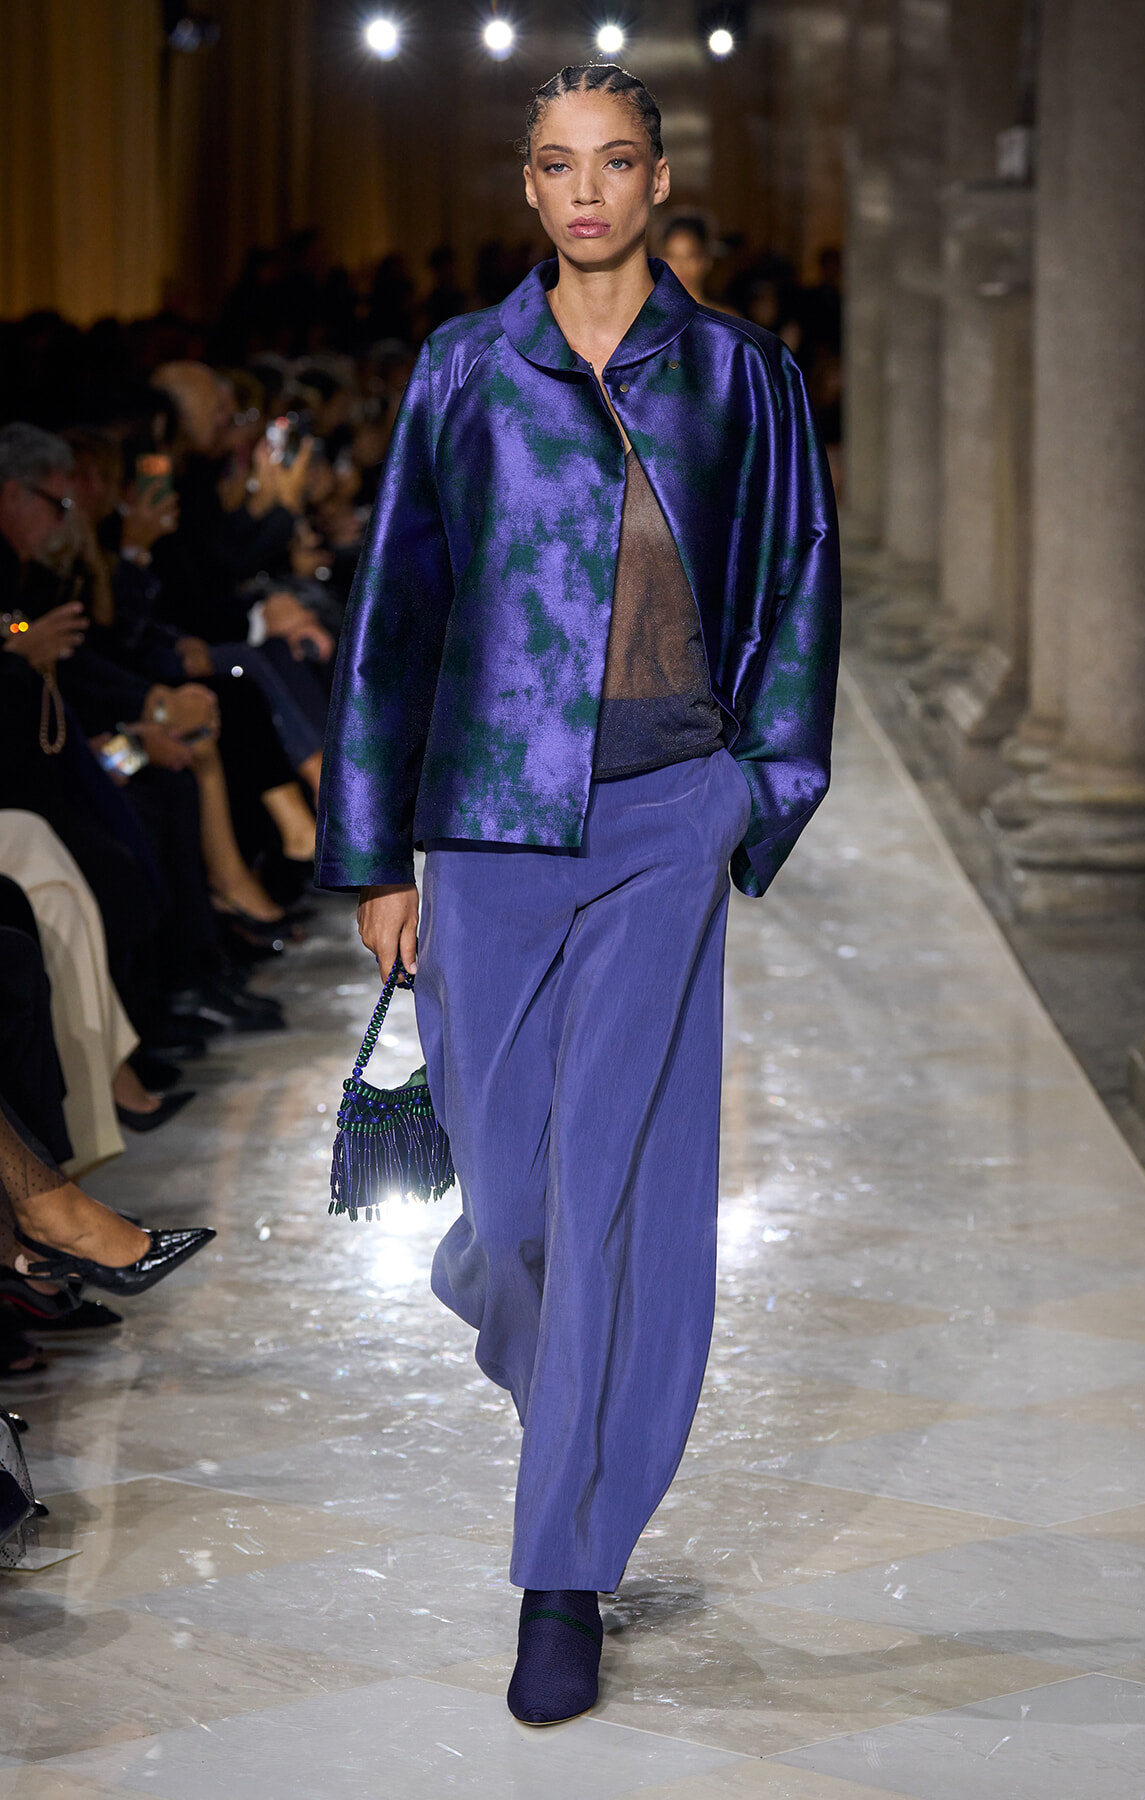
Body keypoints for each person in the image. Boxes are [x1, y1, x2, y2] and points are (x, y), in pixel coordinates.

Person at [316, 63, 840, 1725]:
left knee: (606, 1181)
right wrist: (370, 852)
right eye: (559, 164)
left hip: (667, 811)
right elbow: (396, 610)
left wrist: (757, 789)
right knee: (512, 1200)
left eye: (617, 160)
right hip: (486, 825)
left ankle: (562, 1572)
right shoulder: (462, 370)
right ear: (530, 189)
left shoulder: (744, 374)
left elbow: (800, 579)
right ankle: (557, 1375)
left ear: (660, 180)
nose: (589, 190)